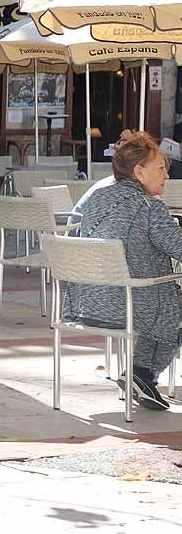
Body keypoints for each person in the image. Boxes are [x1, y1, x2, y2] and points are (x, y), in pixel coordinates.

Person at [69, 132, 182, 411]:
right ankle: (142, 373)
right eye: (161, 168)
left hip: (90, 301)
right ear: (139, 171)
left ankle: (141, 375)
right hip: (130, 302)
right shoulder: (148, 207)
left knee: (168, 304)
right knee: (174, 310)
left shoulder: (98, 198)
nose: (166, 175)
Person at [73, 129, 134, 213]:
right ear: (139, 171)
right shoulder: (111, 191)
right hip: (78, 224)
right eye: (158, 168)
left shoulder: (122, 188)